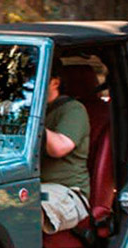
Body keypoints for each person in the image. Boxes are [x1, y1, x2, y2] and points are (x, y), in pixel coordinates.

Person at [40, 59, 91, 235]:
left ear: (55, 82)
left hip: (66, 192)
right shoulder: (37, 109)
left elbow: (59, 147)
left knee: (27, 208)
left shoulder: (73, 110)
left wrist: (30, 122)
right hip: (32, 186)